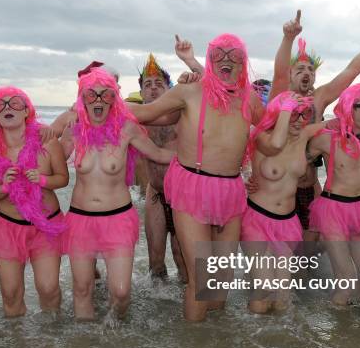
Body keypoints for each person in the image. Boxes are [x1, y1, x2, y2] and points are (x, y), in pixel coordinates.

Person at [130, 33, 265, 321]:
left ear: (244, 63)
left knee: (221, 282)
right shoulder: (188, 92)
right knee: (200, 280)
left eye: (234, 55)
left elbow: (273, 132)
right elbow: (145, 113)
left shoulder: (249, 99)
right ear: (210, 59)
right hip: (193, 185)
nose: (226, 59)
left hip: (231, 190)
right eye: (219, 54)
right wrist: (93, 103)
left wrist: (256, 171)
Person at [271, 12, 360, 238]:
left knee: (307, 256)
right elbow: (279, 73)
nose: (306, 73)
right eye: (300, 69)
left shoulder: (318, 100)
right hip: (278, 188)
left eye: (311, 70)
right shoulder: (279, 99)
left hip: (308, 187)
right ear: (290, 74)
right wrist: (288, 38)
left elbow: (352, 70)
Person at [60, 67, 174, 320]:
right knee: (82, 289)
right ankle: (85, 347)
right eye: (92, 95)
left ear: (115, 98)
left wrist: (201, 160)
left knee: (121, 293)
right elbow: (49, 160)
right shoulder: (73, 131)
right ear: (82, 99)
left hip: (118, 218)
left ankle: (117, 346)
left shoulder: (127, 130)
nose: (99, 100)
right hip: (80, 220)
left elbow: (158, 154)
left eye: (106, 95)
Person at [0, 87, 68, 317]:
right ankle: (17, 347)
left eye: (15, 103)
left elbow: (63, 179)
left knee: (48, 289)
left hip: (45, 227)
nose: (8, 107)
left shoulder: (46, 143)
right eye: (1, 104)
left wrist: (42, 179)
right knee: (10, 293)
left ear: (27, 110)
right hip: (6, 227)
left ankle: (52, 339)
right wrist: (5, 188)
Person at [307, 82, 360, 305]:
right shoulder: (326, 139)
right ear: (350, 108)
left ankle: (348, 321)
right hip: (333, 208)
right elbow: (294, 162)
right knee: (346, 280)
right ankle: (336, 334)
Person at [242, 92, 323, 313]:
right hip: (258, 219)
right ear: (279, 113)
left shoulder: (304, 136)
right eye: (293, 113)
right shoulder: (260, 137)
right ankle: (251, 343)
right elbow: (226, 161)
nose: (299, 119)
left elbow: (341, 123)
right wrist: (243, 182)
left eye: (304, 114)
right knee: (264, 292)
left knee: (282, 300)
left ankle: (280, 347)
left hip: (288, 223)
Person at [138, 54, 187, 281]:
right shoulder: (135, 121)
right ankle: (158, 310)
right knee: (155, 261)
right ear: (141, 93)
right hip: (156, 193)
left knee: (182, 256)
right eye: (148, 85)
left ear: (169, 89)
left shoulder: (182, 115)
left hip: (183, 195)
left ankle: (186, 310)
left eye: (159, 84)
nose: (153, 88)